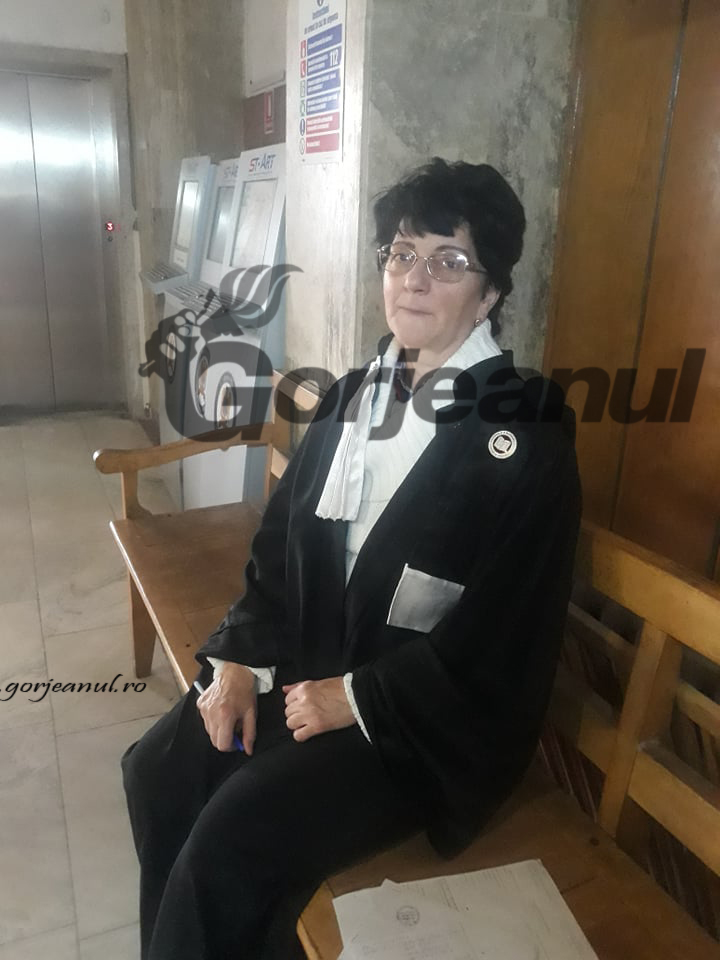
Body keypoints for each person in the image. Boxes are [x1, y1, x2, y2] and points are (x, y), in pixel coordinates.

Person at [122, 157, 582, 960]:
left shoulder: (526, 436)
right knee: (160, 769)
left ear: (491, 294)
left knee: (234, 835)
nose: (415, 279)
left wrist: (360, 696)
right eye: (401, 254)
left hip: (414, 724)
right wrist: (239, 661)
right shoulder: (353, 395)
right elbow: (279, 548)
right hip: (304, 667)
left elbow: (507, 636)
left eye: (448, 261)